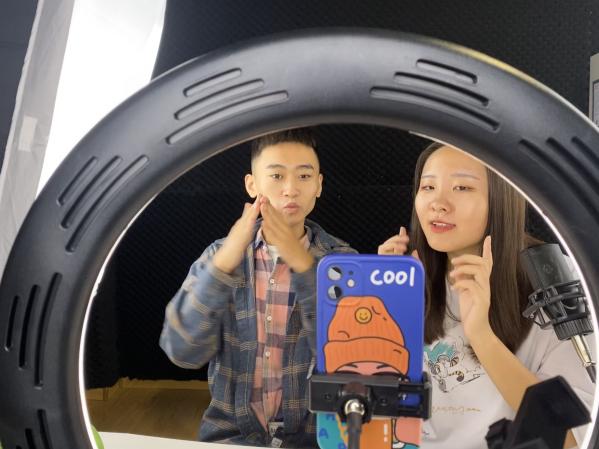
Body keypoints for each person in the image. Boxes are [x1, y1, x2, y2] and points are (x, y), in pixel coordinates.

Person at [378, 142, 595, 449]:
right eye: (428, 187)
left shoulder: (556, 284)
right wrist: (379, 311)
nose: (438, 203)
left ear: (501, 199)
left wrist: (481, 335)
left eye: (462, 187)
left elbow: (571, 439)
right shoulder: (407, 276)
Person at [159, 128, 356, 447]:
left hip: (316, 440)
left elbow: (349, 358)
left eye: (304, 176)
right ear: (252, 185)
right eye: (276, 176)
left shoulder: (344, 262)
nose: (291, 189)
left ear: (319, 185)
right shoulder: (220, 255)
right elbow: (182, 351)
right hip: (230, 436)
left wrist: (303, 266)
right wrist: (222, 267)